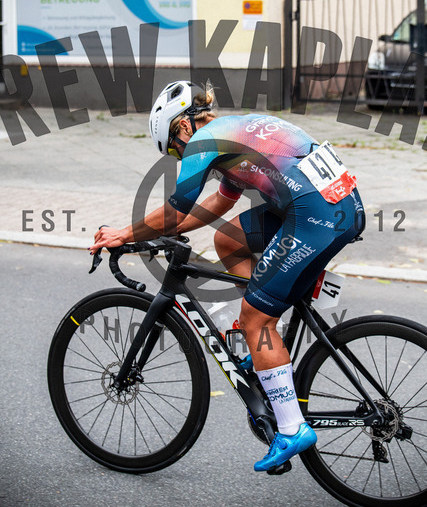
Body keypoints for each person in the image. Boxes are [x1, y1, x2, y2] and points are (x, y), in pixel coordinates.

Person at [90, 81, 365, 472]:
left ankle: (291, 428)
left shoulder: (204, 142)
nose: (178, 154)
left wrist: (123, 233)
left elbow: (175, 211)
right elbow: (217, 204)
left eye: (173, 147)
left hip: (316, 216)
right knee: (229, 239)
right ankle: (268, 336)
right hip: (330, 206)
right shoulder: (230, 135)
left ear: (183, 126)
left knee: (255, 319)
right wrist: (155, 232)